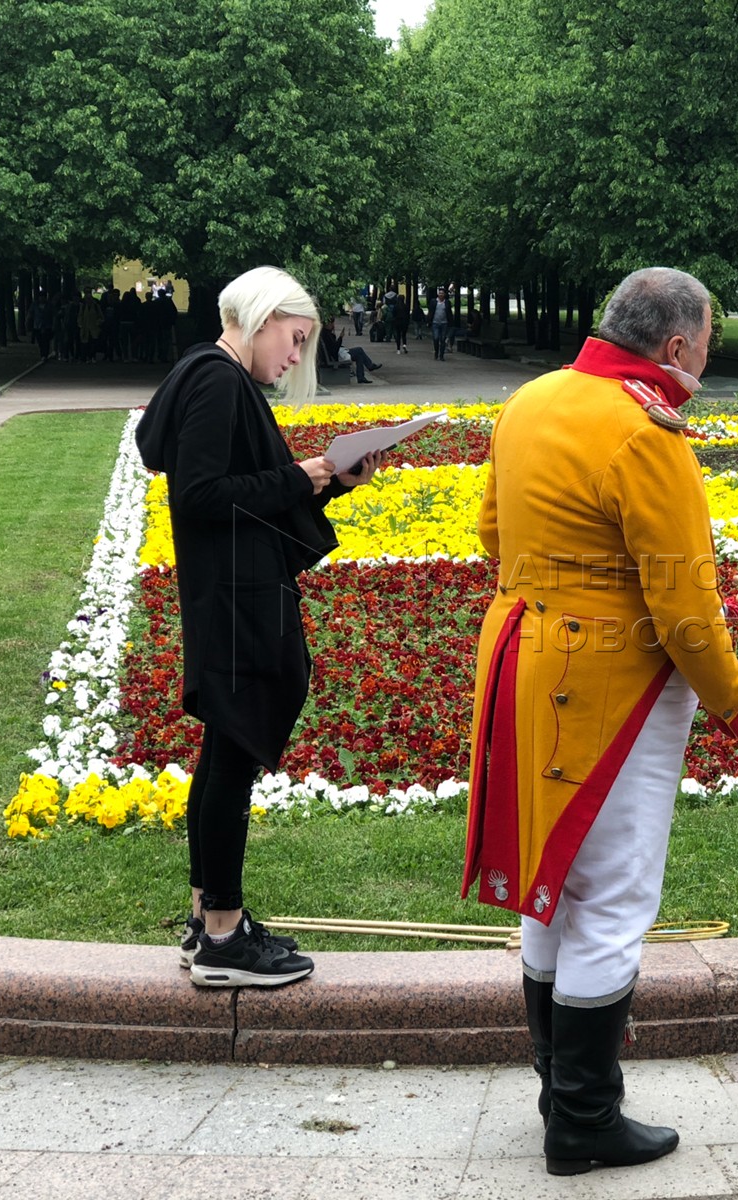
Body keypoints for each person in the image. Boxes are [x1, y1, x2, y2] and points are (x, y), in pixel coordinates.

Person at [463, 267, 738, 1175]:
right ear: (676, 346)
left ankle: (559, 1093)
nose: (708, 356)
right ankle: (585, 1119)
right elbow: (683, 608)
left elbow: (492, 534)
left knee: (550, 881)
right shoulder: (647, 432)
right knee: (615, 898)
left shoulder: (530, 400)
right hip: (612, 686)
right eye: (709, 341)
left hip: (521, 658)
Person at [135, 265, 386, 988]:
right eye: (296, 338)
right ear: (265, 315)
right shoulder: (218, 379)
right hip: (238, 597)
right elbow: (204, 494)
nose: (295, 357)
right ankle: (222, 937)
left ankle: (207, 919)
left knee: (224, 752)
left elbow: (232, 482)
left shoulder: (203, 372)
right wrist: (303, 478)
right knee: (235, 755)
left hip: (231, 590)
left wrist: (332, 478)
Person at [319, 316, 381, 383]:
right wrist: (340, 338)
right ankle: (368, 367)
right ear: (327, 324)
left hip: (335, 355)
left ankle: (362, 376)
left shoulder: (325, 333)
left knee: (359, 355)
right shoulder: (327, 335)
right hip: (336, 356)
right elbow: (335, 349)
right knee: (359, 350)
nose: (333, 325)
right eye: (332, 324)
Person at [429, 286, 451, 359]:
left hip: (444, 323)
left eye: (442, 293)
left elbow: (449, 313)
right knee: (436, 338)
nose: (441, 294)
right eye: (439, 293)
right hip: (435, 323)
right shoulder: (433, 301)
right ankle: (436, 352)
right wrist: (429, 321)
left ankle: (441, 355)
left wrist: (451, 322)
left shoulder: (447, 302)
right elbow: (431, 312)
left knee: (442, 339)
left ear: (444, 294)